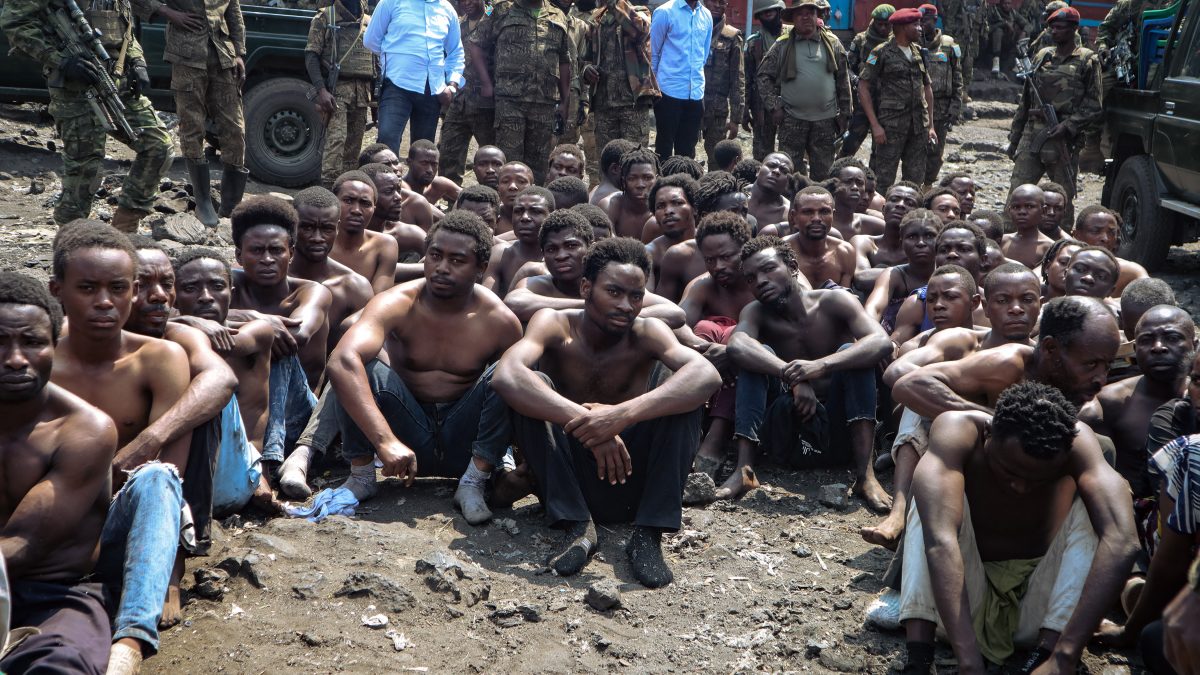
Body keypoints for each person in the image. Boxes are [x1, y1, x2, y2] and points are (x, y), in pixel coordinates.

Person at [493, 237, 721, 586]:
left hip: (633, 475)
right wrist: (589, 424)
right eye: (614, 292)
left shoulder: (648, 330)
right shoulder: (554, 322)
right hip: (570, 477)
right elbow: (506, 375)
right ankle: (577, 526)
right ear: (586, 287)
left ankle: (649, 534)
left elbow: (707, 374)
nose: (626, 305)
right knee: (531, 384)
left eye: (635, 296)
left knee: (683, 388)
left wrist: (619, 416)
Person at [897, 382, 1138, 675]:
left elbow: (1124, 541)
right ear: (989, 433)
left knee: (1108, 504)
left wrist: (1065, 656)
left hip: (1037, 614)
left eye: (1038, 479)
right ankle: (919, 657)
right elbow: (940, 542)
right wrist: (969, 663)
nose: (1021, 487)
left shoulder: (1075, 442)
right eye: (1009, 471)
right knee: (931, 497)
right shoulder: (957, 430)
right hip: (957, 611)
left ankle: (1044, 656)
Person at [48, 223, 194, 673]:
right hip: (46, 526)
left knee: (158, 476)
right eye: (87, 288)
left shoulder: (158, 358)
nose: (105, 302)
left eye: (117, 288)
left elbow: (170, 473)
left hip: (117, 525)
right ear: (58, 291)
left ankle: (130, 640)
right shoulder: (37, 357)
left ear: (133, 291)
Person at [329, 212, 522, 523]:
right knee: (353, 363)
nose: (442, 268)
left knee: (511, 373)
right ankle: (362, 475)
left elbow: (515, 394)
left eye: (457, 260)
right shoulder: (397, 301)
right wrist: (384, 441)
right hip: (405, 433)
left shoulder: (498, 320)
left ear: (480, 267)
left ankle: (474, 482)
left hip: (465, 441)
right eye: (435, 256)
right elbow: (341, 360)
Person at [862, 262, 1041, 549]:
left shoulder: (1046, 355)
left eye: (1027, 300)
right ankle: (899, 511)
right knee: (918, 403)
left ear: (1040, 305)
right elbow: (896, 374)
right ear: (984, 305)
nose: (1016, 309)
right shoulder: (961, 341)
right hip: (950, 443)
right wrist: (975, 409)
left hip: (1012, 458)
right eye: (1004, 300)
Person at [0, 271, 119, 674]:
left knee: (62, 663)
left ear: (55, 345)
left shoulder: (84, 430)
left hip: (52, 594)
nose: (15, 359)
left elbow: (21, 543)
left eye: (32, 342)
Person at [727, 236, 893, 511]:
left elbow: (881, 342)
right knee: (757, 352)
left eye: (768, 269)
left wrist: (821, 366)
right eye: (751, 278)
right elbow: (736, 345)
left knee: (852, 353)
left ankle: (866, 476)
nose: (760, 281)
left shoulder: (834, 301)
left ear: (792, 266)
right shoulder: (755, 312)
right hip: (787, 430)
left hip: (839, 431)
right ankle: (745, 469)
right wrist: (791, 375)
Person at [125, 236, 262, 555]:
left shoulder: (179, 335)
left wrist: (146, 443)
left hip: (215, 476)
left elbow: (220, 378)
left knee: (201, 397)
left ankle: (189, 538)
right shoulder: (64, 343)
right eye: (142, 285)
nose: (158, 296)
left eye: (166, 284)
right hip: (114, 482)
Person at [1, 0, 174, 232]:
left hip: (117, 80)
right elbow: (14, 22)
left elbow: (125, 27)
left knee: (159, 147)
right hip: (76, 89)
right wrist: (60, 61)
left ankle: (125, 227)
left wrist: (137, 61)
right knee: (84, 170)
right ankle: (72, 242)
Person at [228, 197, 332, 482]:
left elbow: (297, 335)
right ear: (239, 255)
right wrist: (255, 318)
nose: (267, 259)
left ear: (292, 253)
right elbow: (180, 317)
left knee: (277, 347)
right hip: (241, 408)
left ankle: (267, 463)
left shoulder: (310, 292)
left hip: (299, 416)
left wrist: (253, 326)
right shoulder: (226, 285)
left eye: (276, 250)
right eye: (256, 251)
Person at [170, 247, 281, 510]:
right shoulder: (167, 336)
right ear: (173, 298)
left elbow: (225, 345)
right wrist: (186, 321)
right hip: (187, 475)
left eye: (217, 287)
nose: (206, 298)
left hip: (241, 475)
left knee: (216, 384)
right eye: (191, 289)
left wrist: (182, 323)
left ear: (231, 294)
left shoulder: (256, 330)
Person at [893, 295, 1123, 420]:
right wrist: (994, 418)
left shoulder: (1087, 406)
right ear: (1051, 349)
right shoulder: (1008, 364)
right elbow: (908, 385)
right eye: (1091, 365)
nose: (1101, 380)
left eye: (1107, 366)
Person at [675, 213, 760, 498]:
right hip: (713, 367)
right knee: (705, 329)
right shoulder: (702, 285)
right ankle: (696, 426)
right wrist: (702, 348)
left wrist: (735, 349)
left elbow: (798, 323)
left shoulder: (765, 277)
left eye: (726, 257)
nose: (718, 266)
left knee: (734, 336)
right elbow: (677, 324)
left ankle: (717, 435)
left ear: (744, 250)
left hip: (762, 371)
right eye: (710, 260)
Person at [143, 0, 247, 226]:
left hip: (223, 56)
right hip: (187, 56)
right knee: (192, 128)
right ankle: (203, 202)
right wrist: (168, 12)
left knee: (235, 129)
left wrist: (239, 52)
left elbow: (234, 13)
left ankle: (230, 206)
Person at [1081, 305, 1195, 497]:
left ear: (1195, 345)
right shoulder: (1108, 404)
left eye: (1172, 338)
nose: (1158, 347)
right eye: (1147, 340)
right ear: (1135, 349)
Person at [469, 0, 572, 185]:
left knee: (538, 166)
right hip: (509, 102)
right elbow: (476, 44)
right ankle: (505, 209)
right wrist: (486, 82)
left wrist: (565, 101)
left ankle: (534, 207)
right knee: (509, 163)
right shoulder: (500, 9)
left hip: (545, 103)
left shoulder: (559, 15)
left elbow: (564, 61)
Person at [1008, 7, 1101, 200]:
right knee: (1017, 195)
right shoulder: (1042, 56)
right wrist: (1014, 138)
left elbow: (1094, 104)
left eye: (1060, 27)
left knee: (1061, 201)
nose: (1054, 31)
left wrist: (1068, 126)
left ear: (1074, 28)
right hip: (1032, 135)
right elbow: (1026, 99)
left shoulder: (1087, 60)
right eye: (1052, 28)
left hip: (1063, 140)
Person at [757, 0, 850, 181]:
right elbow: (763, 76)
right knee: (791, 174)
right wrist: (775, 106)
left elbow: (843, 80)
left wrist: (846, 113)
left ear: (818, 16)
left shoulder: (833, 43)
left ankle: (820, 207)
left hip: (825, 120)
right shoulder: (782, 44)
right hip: (792, 120)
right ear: (793, 18)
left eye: (811, 12)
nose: (806, 17)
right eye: (800, 13)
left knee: (824, 174)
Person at [365, 0, 464, 150]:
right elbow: (371, 40)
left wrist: (452, 85)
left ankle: (418, 175)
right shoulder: (391, 3)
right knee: (387, 141)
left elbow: (456, 51)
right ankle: (387, 173)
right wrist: (397, 57)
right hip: (396, 85)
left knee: (424, 149)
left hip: (432, 90)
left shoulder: (447, 9)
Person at [858, 7, 937, 191]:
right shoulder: (881, 52)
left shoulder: (919, 52)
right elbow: (863, 86)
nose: (920, 28)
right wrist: (875, 125)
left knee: (914, 181)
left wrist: (931, 125)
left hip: (918, 127)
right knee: (882, 181)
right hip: (890, 128)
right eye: (915, 24)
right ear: (901, 27)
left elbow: (927, 87)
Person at [289, 186, 375, 351]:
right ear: (292, 227)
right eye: (307, 227)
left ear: (337, 228)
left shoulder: (354, 287)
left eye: (326, 229)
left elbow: (368, 345)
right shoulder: (268, 275)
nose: (317, 238)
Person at [306, 0, 376, 190]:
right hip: (337, 90)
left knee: (354, 146)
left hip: (362, 91)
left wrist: (376, 99)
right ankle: (328, 190)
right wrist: (321, 90)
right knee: (336, 142)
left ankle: (346, 190)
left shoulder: (370, 21)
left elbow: (376, 59)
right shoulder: (325, 17)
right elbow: (311, 56)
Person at [581, 0, 655, 169]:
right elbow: (586, 57)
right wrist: (586, 70)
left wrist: (616, 4)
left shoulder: (640, 12)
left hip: (632, 103)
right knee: (607, 163)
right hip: (604, 103)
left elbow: (640, 31)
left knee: (635, 161)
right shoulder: (597, 18)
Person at [438, 0, 495, 186]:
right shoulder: (458, 25)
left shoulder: (494, 22)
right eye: (462, 0)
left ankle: (490, 199)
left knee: (491, 156)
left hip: (486, 103)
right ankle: (450, 200)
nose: (467, 3)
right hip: (459, 101)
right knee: (449, 152)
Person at [649, 0, 713, 160]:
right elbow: (653, 53)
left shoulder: (706, 15)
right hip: (668, 91)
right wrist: (654, 87)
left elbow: (703, 55)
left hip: (695, 93)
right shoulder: (665, 12)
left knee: (687, 149)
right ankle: (661, 183)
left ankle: (683, 183)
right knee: (663, 147)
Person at [864, 209, 940, 334]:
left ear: (940, 240)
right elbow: (874, 309)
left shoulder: (948, 277)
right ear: (902, 243)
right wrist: (872, 339)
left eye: (929, 236)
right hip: (890, 343)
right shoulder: (894, 275)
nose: (921, 243)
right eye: (912, 237)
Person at [330, 170, 400, 294]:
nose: (356, 210)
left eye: (365, 204)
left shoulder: (384, 245)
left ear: (374, 209)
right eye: (348, 200)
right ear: (333, 202)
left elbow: (377, 302)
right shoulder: (317, 242)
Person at [842, 3, 894, 158]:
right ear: (874, 22)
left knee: (881, 148)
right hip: (863, 101)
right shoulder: (861, 40)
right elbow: (847, 67)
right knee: (851, 142)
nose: (884, 28)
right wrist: (856, 79)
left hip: (887, 102)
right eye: (880, 24)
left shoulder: (897, 42)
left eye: (887, 24)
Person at [851, 180, 922, 293]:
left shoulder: (922, 248)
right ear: (883, 209)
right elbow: (861, 278)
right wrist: (912, 272)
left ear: (919, 214)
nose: (900, 205)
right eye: (894, 200)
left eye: (909, 203)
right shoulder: (864, 242)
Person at [919, 4, 963, 187]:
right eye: (919, 21)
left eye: (926, 21)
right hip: (916, 105)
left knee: (935, 151)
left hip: (941, 107)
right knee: (915, 149)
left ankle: (928, 185)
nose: (922, 25)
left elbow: (958, 78)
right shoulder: (912, 43)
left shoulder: (949, 45)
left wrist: (955, 107)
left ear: (935, 21)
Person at [484, 186, 555, 298]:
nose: (525, 217)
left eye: (535, 211)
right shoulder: (501, 254)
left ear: (551, 216)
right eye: (518, 211)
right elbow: (486, 304)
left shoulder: (561, 259)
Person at [783, 186, 857, 288]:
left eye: (824, 211)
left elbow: (846, 298)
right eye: (808, 212)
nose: (816, 218)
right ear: (793, 216)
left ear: (833, 215)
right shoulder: (780, 252)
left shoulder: (844, 252)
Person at [1070, 205, 1149, 296]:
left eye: (1111, 233)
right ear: (1077, 235)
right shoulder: (1063, 263)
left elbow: (1151, 296)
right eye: (1096, 231)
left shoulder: (1131, 271)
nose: (1105, 238)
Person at [699, 0, 743, 164]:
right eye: (713, 1)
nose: (718, 5)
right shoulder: (694, 29)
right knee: (685, 153)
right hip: (691, 105)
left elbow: (737, 79)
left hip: (717, 110)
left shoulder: (732, 36)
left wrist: (735, 118)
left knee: (717, 159)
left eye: (722, 2)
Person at [644, 175, 701, 300]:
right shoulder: (648, 253)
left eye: (677, 203)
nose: (668, 211)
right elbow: (644, 299)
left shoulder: (710, 245)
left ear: (695, 208)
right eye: (660, 206)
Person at [359, 163, 431, 259]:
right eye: (388, 192)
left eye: (399, 190)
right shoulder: (342, 231)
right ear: (367, 196)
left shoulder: (408, 235)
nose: (399, 197)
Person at [743, 0, 785, 160]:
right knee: (762, 153)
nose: (768, 14)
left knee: (788, 151)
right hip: (760, 106)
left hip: (788, 102)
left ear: (779, 11)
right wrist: (744, 110)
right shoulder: (753, 42)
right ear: (759, 16)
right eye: (764, 13)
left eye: (772, 11)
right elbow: (747, 78)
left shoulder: (792, 37)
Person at [599, 147, 659, 239]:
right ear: (624, 181)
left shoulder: (664, 208)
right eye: (633, 178)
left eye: (647, 178)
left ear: (656, 180)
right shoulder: (610, 205)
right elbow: (609, 245)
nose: (640, 185)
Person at [827, 161, 885, 240]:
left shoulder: (871, 225)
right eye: (848, 182)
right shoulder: (820, 222)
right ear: (833, 184)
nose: (855, 187)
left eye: (860, 183)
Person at [1001, 184, 1053, 269]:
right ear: (1009, 211)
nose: (1022, 212)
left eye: (1029, 206)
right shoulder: (1002, 241)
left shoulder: (1048, 248)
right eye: (1016, 207)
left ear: (1043, 211)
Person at [404, 140, 461, 207]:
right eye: (424, 163)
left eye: (434, 164)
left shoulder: (439, 185)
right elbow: (422, 209)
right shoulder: (397, 189)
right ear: (409, 162)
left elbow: (471, 197)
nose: (430, 170)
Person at [747, 153, 793, 229]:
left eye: (784, 171)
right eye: (771, 166)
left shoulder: (788, 215)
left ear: (788, 182)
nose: (776, 171)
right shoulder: (734, 195)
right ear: (758, 171)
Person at [985, 0, 1030, 75]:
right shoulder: (993, 11)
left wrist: (1024, 32)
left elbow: (1028, 25)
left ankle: (1021, 62)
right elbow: (987, 29)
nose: (1006, 5)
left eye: (1008, 3)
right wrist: (1004, 24)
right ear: (1001, 4)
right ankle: (996, 63)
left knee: (1023, 34)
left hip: (1008, 42)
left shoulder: (1013, 13)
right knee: (998, 31)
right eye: (1004, 3)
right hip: (993, 45)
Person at [496, 161, 536, 235]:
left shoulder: (542, 217)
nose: (512, 186)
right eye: (505, 181)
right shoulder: (490, 217)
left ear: (532, 188)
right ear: (498, 188)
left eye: (521, 181)